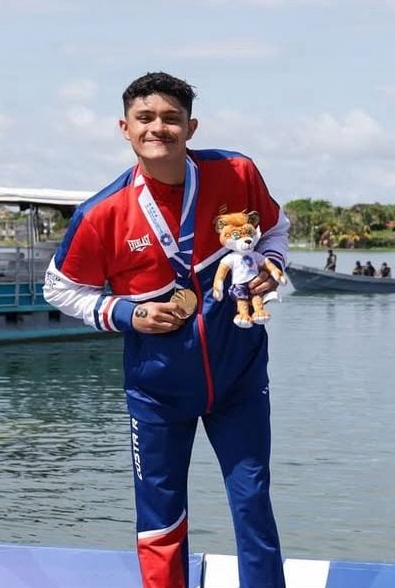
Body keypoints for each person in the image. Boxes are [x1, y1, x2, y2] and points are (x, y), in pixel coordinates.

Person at [44, 72, 288, 588]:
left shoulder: (236, 172)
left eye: (172, 118)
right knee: (160, 518)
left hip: (239, 378)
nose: (160, 128)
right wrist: (127, 314)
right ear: (125, 128)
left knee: (253, 504)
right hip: (156, 390)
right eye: (146, 119)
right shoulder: (101, 213)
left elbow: (275, 228)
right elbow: (59, 290)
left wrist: (269, 263)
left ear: (191, 126)